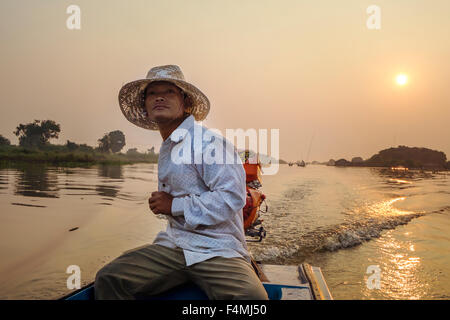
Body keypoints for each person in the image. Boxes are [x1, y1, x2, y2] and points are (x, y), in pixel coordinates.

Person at [94, 65, 268, 300]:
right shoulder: (169, 146)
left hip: (217, 249)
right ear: (145, 107)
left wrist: (173, 205)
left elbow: (232, 198)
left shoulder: (209, 144)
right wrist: (168, 204)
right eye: (153, 93)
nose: (160, 97)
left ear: (185, 103)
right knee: (110, 279)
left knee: (252, 300)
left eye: (169, 91)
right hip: (175, 246)